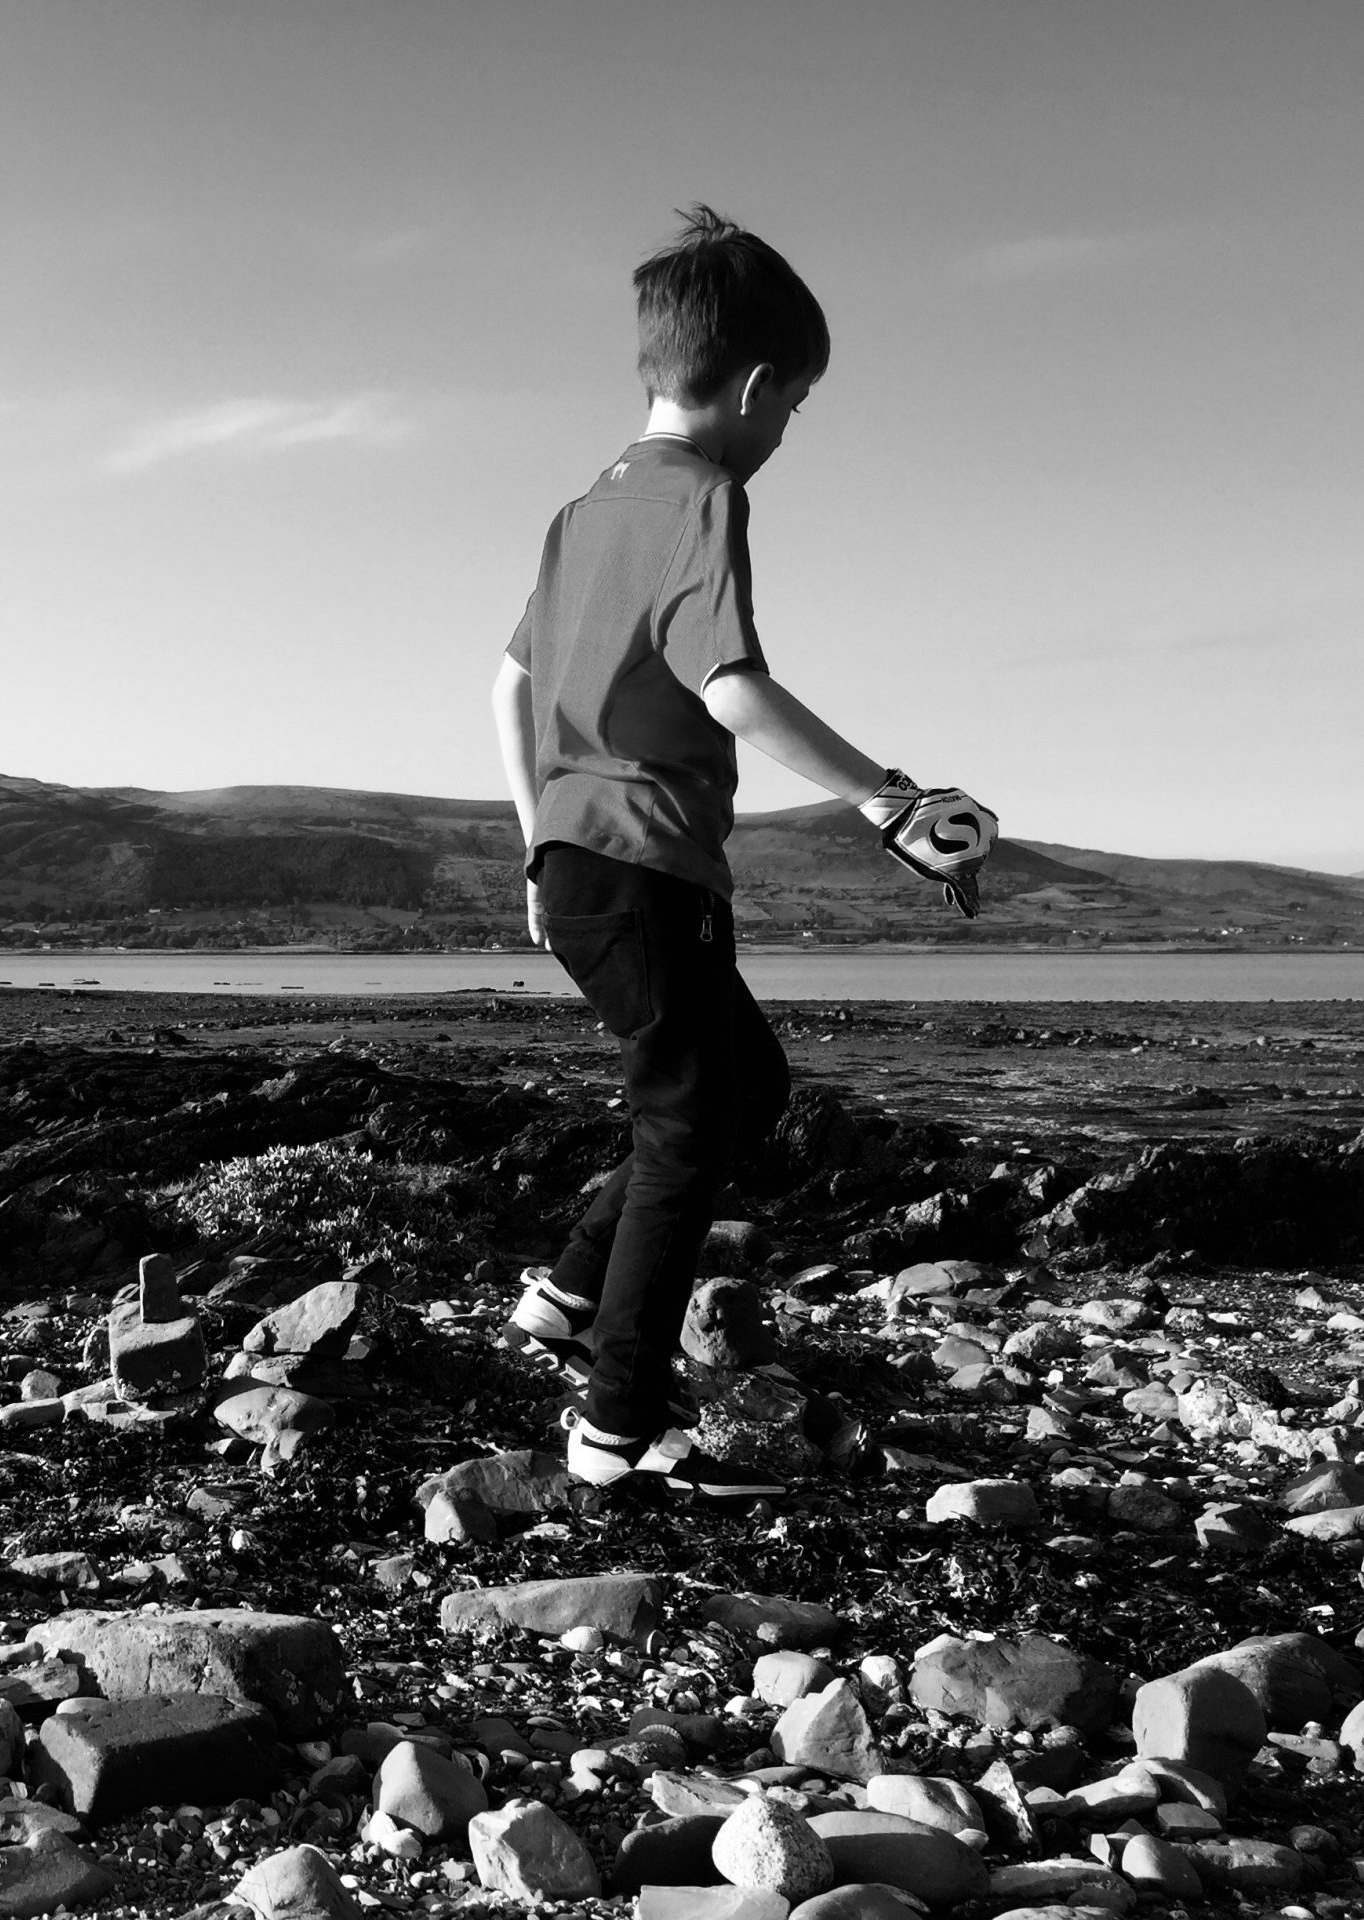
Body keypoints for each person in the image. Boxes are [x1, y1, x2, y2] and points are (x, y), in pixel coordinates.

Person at [490, 204, 997, 1496]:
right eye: (797, 407)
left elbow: (506, 686)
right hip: (651, 870)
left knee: (742, 1086)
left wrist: (535, 843)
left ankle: (565, 1293)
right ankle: (615, 1428)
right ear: (758, 385)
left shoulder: (581, 511)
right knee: (686, 1127)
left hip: (578, 864)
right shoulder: (703, 500)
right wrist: (888, 801)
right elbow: (731, 688)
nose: (785, 433)